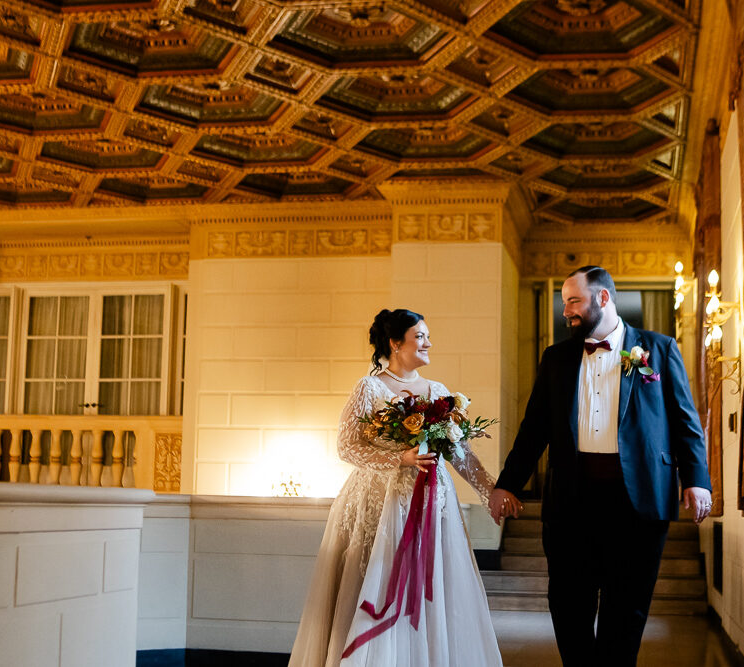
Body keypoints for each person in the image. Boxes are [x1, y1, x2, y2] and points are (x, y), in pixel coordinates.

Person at [489, 266, 712, 666]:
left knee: (627, 610)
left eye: (573, 301)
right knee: (567, 604)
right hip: (572, 502)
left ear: (603, 298)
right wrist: (507, 484)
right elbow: (533, 428)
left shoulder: (658, 349)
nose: (566, 312)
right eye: (563, 303)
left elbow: (685, 423)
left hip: (639, 502)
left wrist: (697, 480)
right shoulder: (556, 358)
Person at [289, 308, 503, 667]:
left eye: (427, 335)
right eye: (420, 336)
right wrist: (398, 460)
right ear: (394, 343)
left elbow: (460, 453)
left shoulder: (439, 392)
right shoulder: (369, 387)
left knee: (429, 589)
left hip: (431, 504)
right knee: (377, 580)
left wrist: (491, 493)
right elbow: (347, 446)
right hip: (379, 502)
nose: (428, 342)